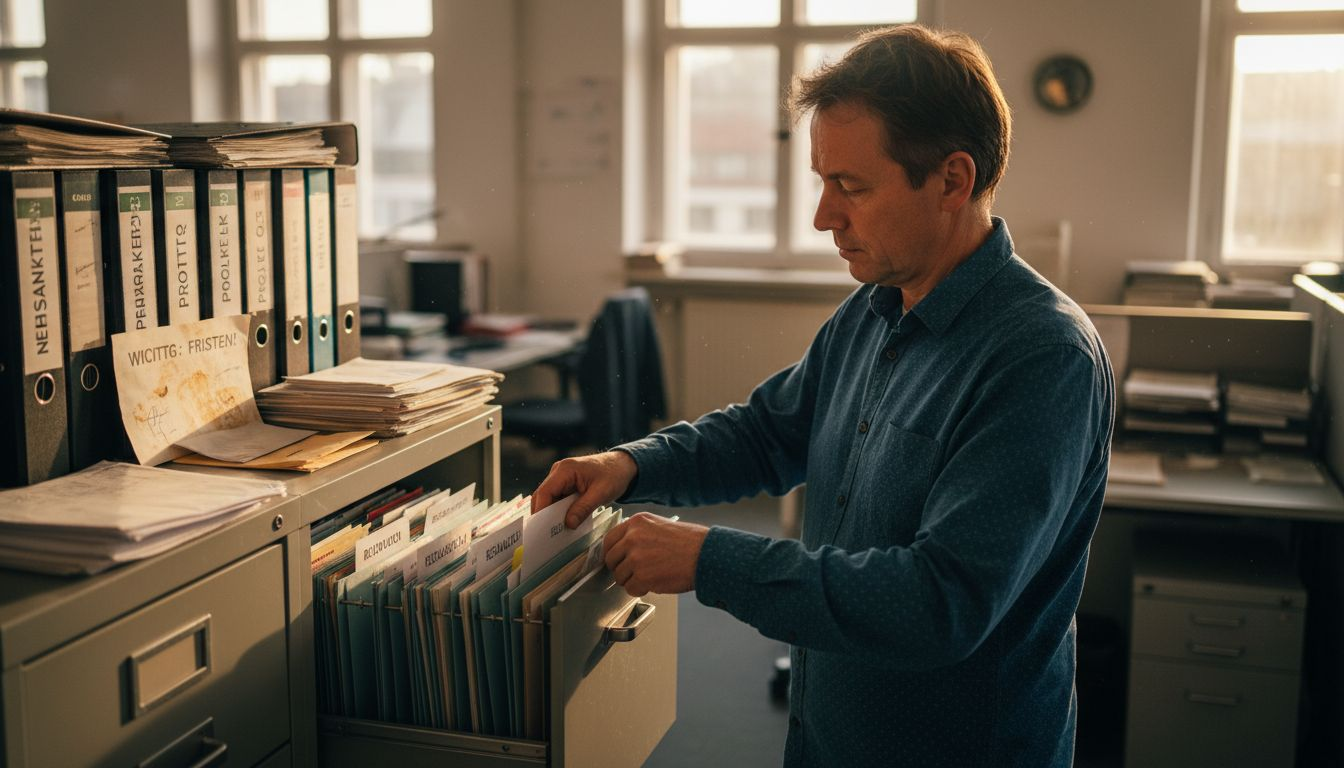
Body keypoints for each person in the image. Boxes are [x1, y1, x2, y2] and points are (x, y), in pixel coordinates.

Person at [532, 23, 1114, 768]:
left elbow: (941, 603)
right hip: (828, 736)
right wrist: (631, 465)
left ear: (952, 180)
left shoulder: (1041, 356)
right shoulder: (875, 308)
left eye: (852, 187)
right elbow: (769, 433)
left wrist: (712, 560)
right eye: (822, 181)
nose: (822, 216)